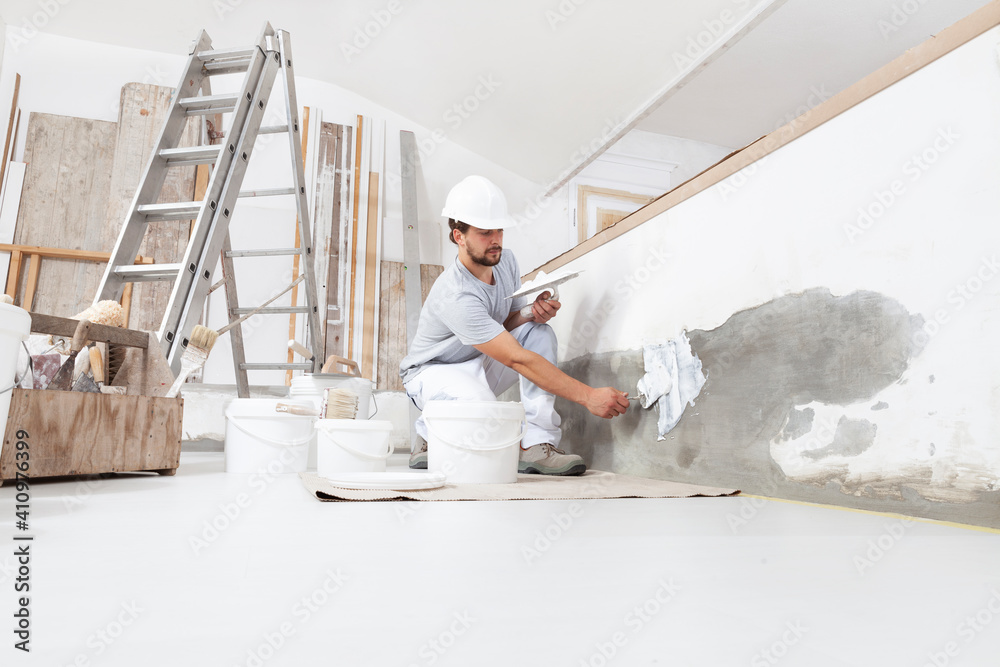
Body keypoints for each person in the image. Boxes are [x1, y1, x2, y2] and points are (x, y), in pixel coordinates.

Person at [399, 175, 630, 476]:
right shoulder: (455, 294)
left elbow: (502, 325)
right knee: (480, 406)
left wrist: (529, 314)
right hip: (431, 372)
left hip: (476, 358)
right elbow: (515, 357)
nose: (495, 239)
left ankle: (537, 443)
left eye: (499, 230)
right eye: (484, 232)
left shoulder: (504, 262)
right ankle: (429, 435)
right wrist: (588, 396)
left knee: (538, 332)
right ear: (459, 236)